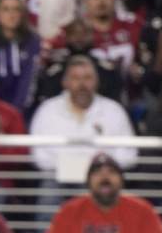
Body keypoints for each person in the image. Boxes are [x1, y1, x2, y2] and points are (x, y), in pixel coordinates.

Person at [30, 56, 137, 200]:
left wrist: (100, 169)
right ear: (65, 82)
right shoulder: (47, 110)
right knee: (49, 188)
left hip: (102, 179)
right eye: (75, 78)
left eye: (87, 78)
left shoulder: (114, 111)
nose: (82, 84)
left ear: (97, 82)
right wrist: (79, 169)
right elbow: (39, 156)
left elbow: (129, 155)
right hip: (58, 178)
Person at [37, 21, 126, 104]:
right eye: (74, 34)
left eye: (84, 33)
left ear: (92, 36)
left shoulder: (106, 71)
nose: (79, 38)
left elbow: (115, 100)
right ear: (66, 37)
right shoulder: (55, 73)